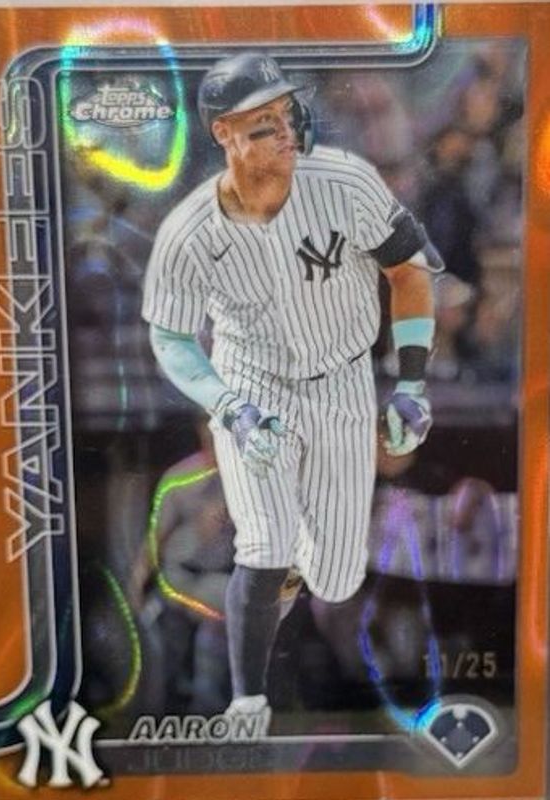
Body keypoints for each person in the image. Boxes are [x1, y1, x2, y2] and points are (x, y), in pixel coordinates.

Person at [142, 51, 443, 732]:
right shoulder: (190, 230)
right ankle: (247, 700)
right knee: (264, 546)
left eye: (285, 114)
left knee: (334, 576)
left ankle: (285, 594)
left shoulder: (343, 181)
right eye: (263, 121)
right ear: (223, 133)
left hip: (341, 378)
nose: (284, 131)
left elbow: (409, 270)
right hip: (253, 385)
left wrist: (412, 383)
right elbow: (172, 338)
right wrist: (229, 407)